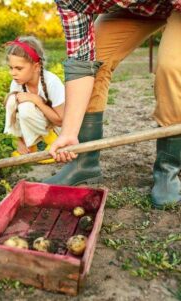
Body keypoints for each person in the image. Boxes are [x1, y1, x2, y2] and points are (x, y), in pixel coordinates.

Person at [45, 0, 181, 208]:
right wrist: (68, 132)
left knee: (172, 66)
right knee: (96, 59)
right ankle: (84, 162)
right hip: (137, 9)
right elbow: (82, 62)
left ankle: (168, 169)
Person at [3, 36, 65, 163]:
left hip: (56, 129)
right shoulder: (16, 83)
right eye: (11, 67)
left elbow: (61, 120)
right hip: (36, 125)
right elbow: (12, 115)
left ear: (36, 67)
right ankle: (28, 146)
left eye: (18, 68)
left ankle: (52, 142)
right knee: (11, 101)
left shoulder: (52, 82)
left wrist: (36, 100)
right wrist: (17, 142)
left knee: (26, 107)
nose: (13, 73)